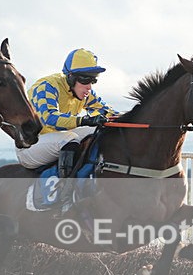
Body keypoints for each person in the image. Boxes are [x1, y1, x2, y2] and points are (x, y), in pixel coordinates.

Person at [17, 48, 118, 178]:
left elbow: (109, 112)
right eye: (85, 80)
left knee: (97, 132)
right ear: (70, 77)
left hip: (58, 138)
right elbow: (50, 118)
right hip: (30, 146)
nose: (89, 86)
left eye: (93, 80)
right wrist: (83, 120)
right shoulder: (47, 86)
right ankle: (66, 187)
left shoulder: (85, 93)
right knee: (69, 139)